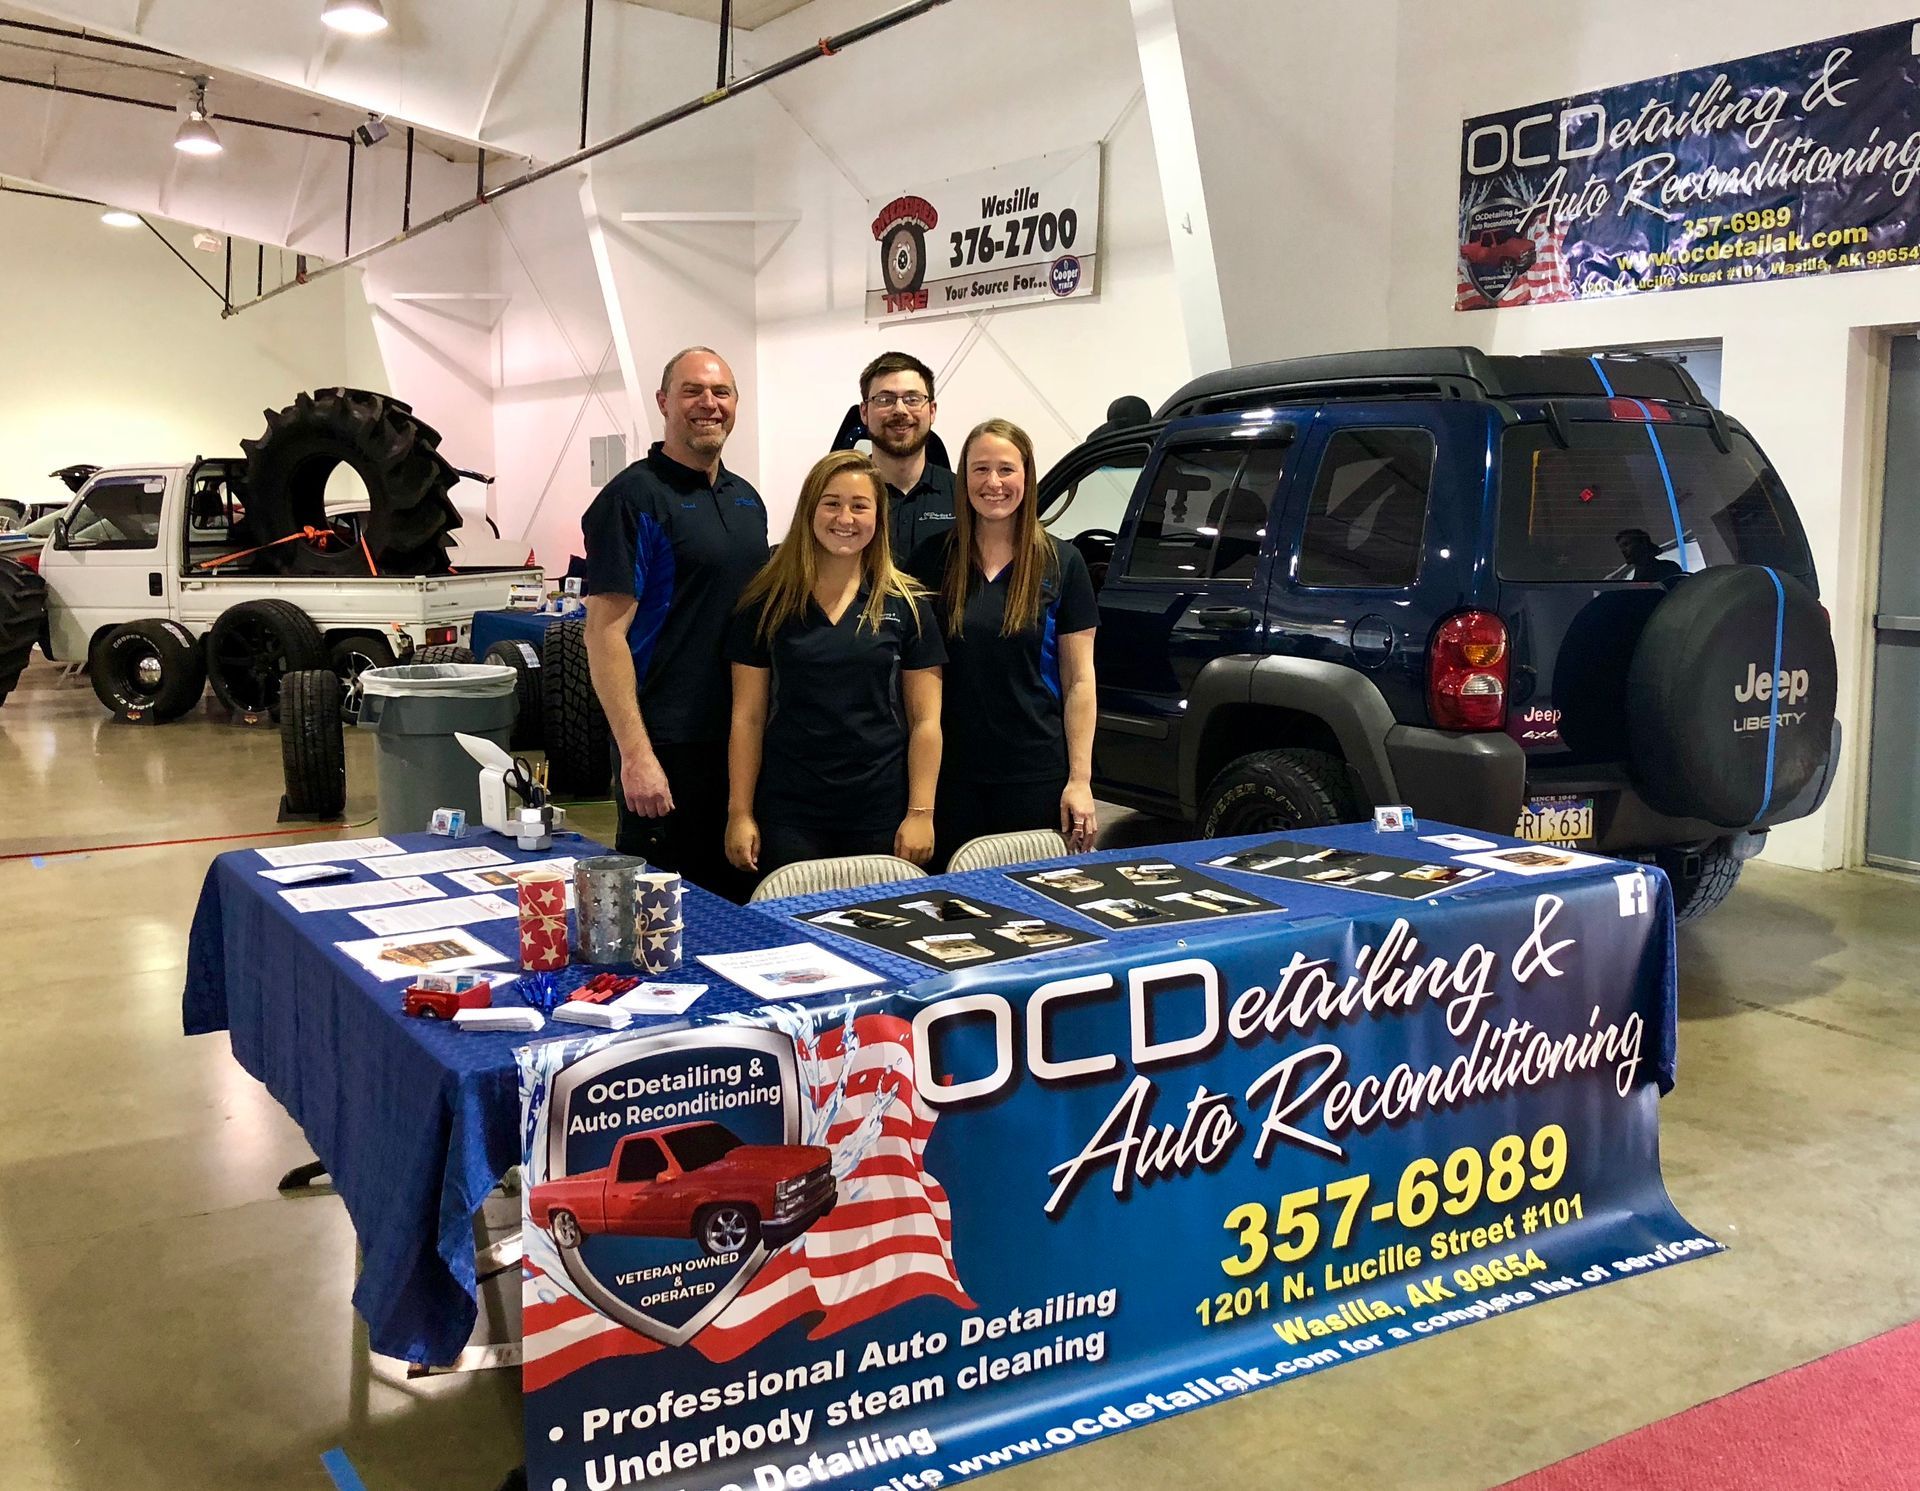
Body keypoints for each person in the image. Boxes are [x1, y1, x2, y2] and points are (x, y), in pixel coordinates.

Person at [581, 346, 768, 900]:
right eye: (693, 391)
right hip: (666, 746)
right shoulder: (631, 500)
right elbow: (604, 634)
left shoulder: (747, 502)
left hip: (740, 742)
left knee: (738, 906)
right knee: (662, 922)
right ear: (664, 401)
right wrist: (637, 757)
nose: (709, 404)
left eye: (721, 393)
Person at [725, 451, 945, 878]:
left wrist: (921, 812)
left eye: (860, 506)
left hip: (879, 810)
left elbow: (926, 721)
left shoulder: (908, 605)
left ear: (878, 518)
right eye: (832, 503)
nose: (845, 517)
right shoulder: (766, 603)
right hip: (790, 810)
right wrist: (740, 813)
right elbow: (747, 718)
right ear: (810, 510)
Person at [907, 418, 1099, 868]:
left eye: (1007, 470)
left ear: (1027, 477)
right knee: (953, 920)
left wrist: (1081, 780)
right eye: (980, 470)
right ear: (963, 478)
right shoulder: (932, 560)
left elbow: (1079, 682)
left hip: (1035, 773)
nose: (994, 483)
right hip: (950, 777)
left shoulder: (1062, 562)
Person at [858, 351, 956, 563]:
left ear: (932, 411)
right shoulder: (839, 496)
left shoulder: (963, 496)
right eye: (885, 399)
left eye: (913, 399)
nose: (900, 410)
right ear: (864, 412)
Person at [1615, 527, 1683, 582]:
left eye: (1626, 544)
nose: (1623, 550)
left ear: (1643, 543)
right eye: (1621, 547)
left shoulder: (1669, 568)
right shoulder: (1634, 583)